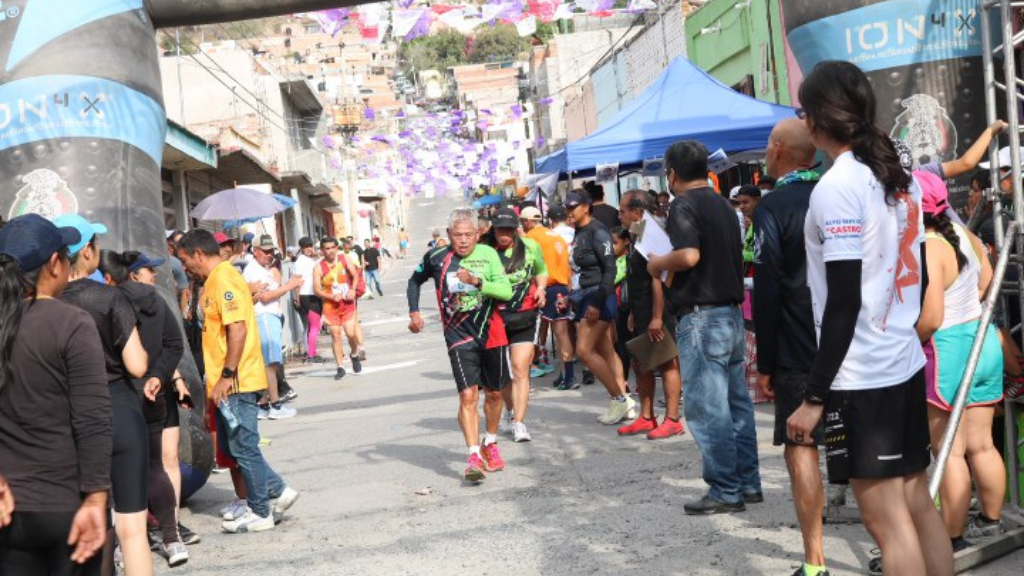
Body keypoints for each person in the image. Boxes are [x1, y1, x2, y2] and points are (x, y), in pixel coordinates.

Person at [786, 60, 953, 576]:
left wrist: (815, 397)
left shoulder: (840, 186)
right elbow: (916, 274)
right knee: (918, 504)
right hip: (898, 364)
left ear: (815, 118)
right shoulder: (894, 178)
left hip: (864, 377)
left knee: (889, 524)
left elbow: (843, 301)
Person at [647, 140, 762, 515]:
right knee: (736, 405)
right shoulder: (724, 206)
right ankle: (747, 482)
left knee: (708, 408)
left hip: (702, 317)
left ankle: (726, 490)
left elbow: (689, 256)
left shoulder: (684, 203)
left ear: (673, 174)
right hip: (729, 313)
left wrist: (656, 262)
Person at [0, 215, 111, 575]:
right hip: (67, 507)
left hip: (9, 511)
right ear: (54, 264)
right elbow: (93, 420)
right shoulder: (71, 323)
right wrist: (96, 498)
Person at [176, 230, 300, 533]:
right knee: (237, 447)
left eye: (184, 261)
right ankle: (279, 490)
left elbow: (238, 330)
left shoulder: (224, 279)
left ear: (198, 254)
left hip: (237, 379)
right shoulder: (218, 280)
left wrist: (227, 376)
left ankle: (261, 511)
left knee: (244, 446)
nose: (184, 268)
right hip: (227, 380)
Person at [54, 214, 154, 576]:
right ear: (87, 251)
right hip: (120, 410)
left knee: (92, 526)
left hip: (72, 420)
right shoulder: (110, 298)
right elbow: (138, 365)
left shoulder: (44, 304)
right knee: (132, 529)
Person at [914, 171, 1007, 551]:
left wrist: (905, 341)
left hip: (948, 348)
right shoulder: (964, 235)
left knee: (949, 452)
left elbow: (931, 318)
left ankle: (951, 538)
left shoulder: (927, 246)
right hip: (981, 341)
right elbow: (987, 286)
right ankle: (991, 519)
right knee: (982, 445)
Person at [752, 118, 828, 576]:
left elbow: (767, 288)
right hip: (853, 342)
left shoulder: (773, 206)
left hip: (799, 347)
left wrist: (767, 360)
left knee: (801, 447)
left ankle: (816, 562)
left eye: (766, 146)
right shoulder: (839, 193)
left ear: (779, 150)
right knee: (862, 450)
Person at [407, 208, 513, 482]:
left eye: (468, 235)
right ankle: (474, 455)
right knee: (468, 396)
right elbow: (414, 280)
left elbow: (506, 291)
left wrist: (477, 281)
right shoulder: (436, 257)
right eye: (457, 235)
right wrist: (414, 313)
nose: (463, 240)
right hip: (458, 335)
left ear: (478, 234)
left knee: (495, 394)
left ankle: (490, 443)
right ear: (448, 235)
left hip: (492, 332)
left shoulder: (489, 255)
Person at [98, 250, 189, 566]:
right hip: (151, 394)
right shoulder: (156, 300)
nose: (153, 274)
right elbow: (174, 345)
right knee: (155, 467)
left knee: (113, 475)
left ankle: (125, 544)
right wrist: (158, 376)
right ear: (132, 273)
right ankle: (172, 538)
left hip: (117, 395)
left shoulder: (102, 303)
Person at [616, 190, 685, 440]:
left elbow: (657, 276)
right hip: (641, 308)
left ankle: (673, 419)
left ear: (637, 212)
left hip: (659, 310)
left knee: (667, 362)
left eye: (623, 210)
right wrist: (635, 311)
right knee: (641, 362)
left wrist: (657, 316)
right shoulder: (637, 233)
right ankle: (646, 417)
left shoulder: (651, 234)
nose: (620, 215)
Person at [565, 191, 635, 422]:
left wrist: (596, 302)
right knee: (606, 350)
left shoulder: (598, 230)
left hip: (598, 295)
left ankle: (619, 400)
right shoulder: (580, 231)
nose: (569, 212)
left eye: (573, 207)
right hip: (585, 293)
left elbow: (610, 268)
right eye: (567, 207)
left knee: (584, 351)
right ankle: (625, 398)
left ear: (586, 207)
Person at [489, 208, 547, 443]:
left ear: (515, 230)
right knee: (503, 374)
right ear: (493, 230)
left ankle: (519, 423)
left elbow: (541, 270)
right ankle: (511, 410)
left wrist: (541, 288)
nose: (503, 233)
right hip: (496, 317)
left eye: (508, 229)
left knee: (520, 368)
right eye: (499, 229)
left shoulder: (530, 247)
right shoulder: (486, 251)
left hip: (525, 314)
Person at [243, 235, 303, 420]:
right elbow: (265, 297)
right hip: (264, 316)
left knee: (271, 362)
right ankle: (275, 405)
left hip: (270, 316)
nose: (270, 255)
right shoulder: (253, 270)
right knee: (271, 363)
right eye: (266, 251)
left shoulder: (263, 268)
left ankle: (263, 403)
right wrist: (289, 285)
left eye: (272, 251)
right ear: (256, 251)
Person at [522, 206, 573, 383]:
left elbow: (527, 266)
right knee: (562, 333)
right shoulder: (555, 236)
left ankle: (533, 365)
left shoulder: (530, 238)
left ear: (527, 222)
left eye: (523, 222)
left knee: (534, 331)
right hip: (563, 288)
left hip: (544, 288)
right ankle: (568, 375)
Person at [313, 237, 364, 379]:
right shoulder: (318, 267)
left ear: (336, 248)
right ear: (322, 251)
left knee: (350, 333)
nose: (329, 251)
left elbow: (355, 275)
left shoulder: (344, 259)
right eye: (326, 249)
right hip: (330, 306)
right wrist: (330, 297)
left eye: (331, 248)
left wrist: (353, 289)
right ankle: (340, 367)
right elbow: (317, 290)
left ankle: (354, 354)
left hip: (347, 303)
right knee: (335, 335)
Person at [291, 236, 325, 363]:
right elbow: (297, 280)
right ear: (301, 248)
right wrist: (297, 297)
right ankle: (311, 354)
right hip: (307, 296)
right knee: (314, 326)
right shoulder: (301, 261)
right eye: (306, 247)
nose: (309, 249)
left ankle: (312, 352)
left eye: (310, 246)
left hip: (313, 295)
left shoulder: (308, 260)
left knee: (313, 326)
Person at [731, 184, 762, 271]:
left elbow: (762, 253)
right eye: (739, 203)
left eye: (745, 202)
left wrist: (738, 254)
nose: (741, 207)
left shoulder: (763, 222)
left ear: (757, 200)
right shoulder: (753, 222)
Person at [166, 230, 190, 316]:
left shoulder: (191, 258)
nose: (181, 244)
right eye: (177, 242)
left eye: (183, 241)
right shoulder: (173, 262)